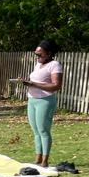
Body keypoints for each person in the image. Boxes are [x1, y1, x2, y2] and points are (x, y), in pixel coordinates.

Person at [17, 38, 63, 167]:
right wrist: (26, 82)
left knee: (43, 130)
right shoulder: (38, 64)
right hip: (32, 100)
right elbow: (37, 81)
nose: (37, 56)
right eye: (36, 54)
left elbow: (56, 86)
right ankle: (37, 159)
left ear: (48, 53)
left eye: (39, 54)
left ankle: (45, 161)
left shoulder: (55, 65)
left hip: (45, 101)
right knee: (36, 131)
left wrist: (33, 84)